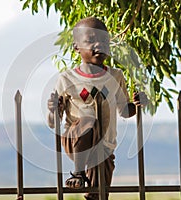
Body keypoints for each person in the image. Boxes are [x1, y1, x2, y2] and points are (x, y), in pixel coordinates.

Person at [47, 17, 147, 200]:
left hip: (104, 147)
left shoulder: (116, 76)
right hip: (76, 140)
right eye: (91, 40)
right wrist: (54, 109)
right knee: (88, 120)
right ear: (76, 47)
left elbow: (124, 110)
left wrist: (138, 105)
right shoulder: (67, 79)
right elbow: (53, 121)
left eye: (104, 40)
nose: (99, 45)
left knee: (98, 196)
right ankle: (77, 173)